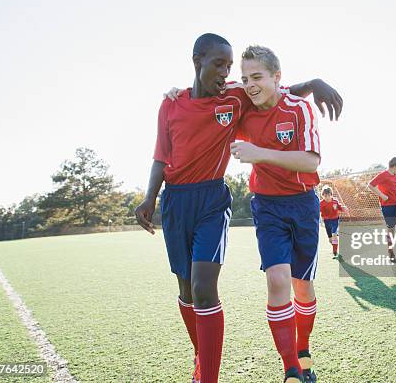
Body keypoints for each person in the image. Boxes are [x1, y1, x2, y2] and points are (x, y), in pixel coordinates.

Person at [135, 33, 342, 383]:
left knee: (225, 287)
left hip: (241, 201)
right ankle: (229, 360)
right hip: (207, 202)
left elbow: (277, 91)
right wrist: (149, 196)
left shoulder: (248, 100)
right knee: (198, 289)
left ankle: (274, 357)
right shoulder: (179, 103)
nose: (231, 77)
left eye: (232, 69)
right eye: (224, 67)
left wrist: (315, 82)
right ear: (197, 60)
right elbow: (160, 154)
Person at [229, 45, 325, 383]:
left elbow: (311, 161)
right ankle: (291, 370)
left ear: (277, 77)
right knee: (277, 279)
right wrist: (177, 92)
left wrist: (258, 153)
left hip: (302, 205)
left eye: (257, 77)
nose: (250, 85)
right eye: (244, 78)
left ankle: (303, 347)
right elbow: (211, 93)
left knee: (302, 285)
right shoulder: (243, 110)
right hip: (266, 205)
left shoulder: (299, 109)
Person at [367, 157, 396, 260]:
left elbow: (394, 185)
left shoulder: (395, 174)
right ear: (395, 166)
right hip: (387, 206)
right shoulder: (383, 175)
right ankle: (390, 250)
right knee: (391, 229)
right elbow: (370, 185)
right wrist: (382, 195)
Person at [319, 185, 346, 258]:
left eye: (328, 195)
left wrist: (343, 209)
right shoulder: (321, 203)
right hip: (327, 221)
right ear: (322, 196)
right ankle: (334, 245)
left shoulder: (335, 201)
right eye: (325, 196)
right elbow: (318, 211)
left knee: (334, 235)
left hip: (335, 219)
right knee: (330, 239)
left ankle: (335, 251)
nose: (327, 197)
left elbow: (340, 208)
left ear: (331, 194)